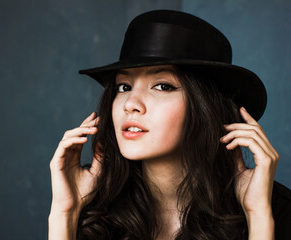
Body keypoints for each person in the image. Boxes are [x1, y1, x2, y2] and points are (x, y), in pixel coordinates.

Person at [48, 10, 291, 240]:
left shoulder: (273, 209)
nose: (131, 103)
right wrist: (65, 213)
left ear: (205, 107)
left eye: (162, 86)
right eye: (124, 86)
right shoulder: (93, 210)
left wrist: (258, 214)